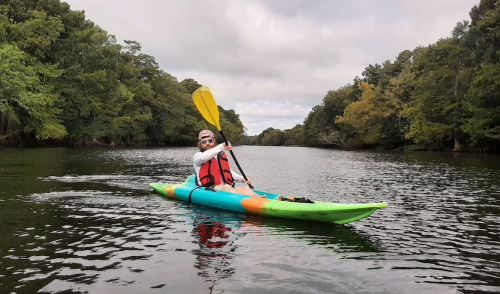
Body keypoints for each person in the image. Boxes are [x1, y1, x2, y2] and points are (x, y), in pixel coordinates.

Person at [193, 130, 264, 198]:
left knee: (244, 188)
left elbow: (229, 172)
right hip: (208, 189)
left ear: (214, 141)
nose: (207, 143)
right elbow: (204, 157)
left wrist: (242, 179)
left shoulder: (219, 155)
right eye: (204, 142)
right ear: (200, 144)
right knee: (227, 187)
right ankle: (242, 201)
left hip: (224, 189)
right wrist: (222, 146)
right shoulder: (198, 156)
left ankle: (259, 199)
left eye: (210, 140)